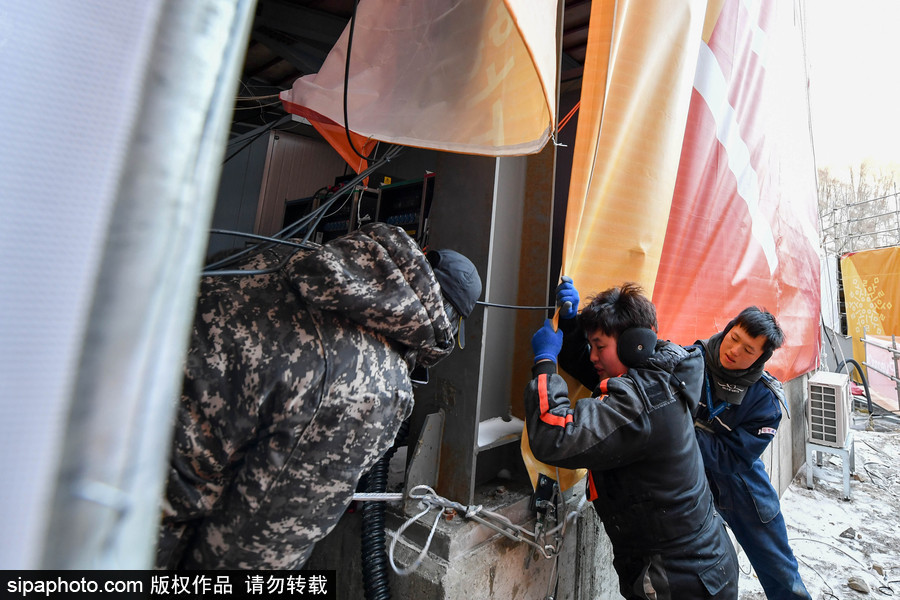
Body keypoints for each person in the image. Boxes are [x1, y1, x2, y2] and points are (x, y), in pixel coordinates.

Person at [155, 222, 481, 569]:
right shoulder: (377, 388)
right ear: (447, 324)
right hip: (132, 514)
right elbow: (254, 549)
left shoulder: (298, 250)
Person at [525, 280, 739, 600]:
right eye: (591, 346)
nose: (593, 356)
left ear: (634, 344)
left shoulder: (642, 404)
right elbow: (599, 372)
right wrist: (570, 328)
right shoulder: (664, 370)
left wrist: (544, 362)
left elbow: (553, 435)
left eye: (600, 346)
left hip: (679, 580)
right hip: (701, 566)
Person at [693, 307, 812, 599]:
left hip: (741, 486)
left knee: (780, 571)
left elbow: (730, 457)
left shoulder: (766, 402)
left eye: (748, 349)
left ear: (761, 357)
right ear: (728, 328)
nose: (733, 351)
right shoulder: (689, 362)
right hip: (687, 480)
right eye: (733, 338)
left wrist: (679, 432)